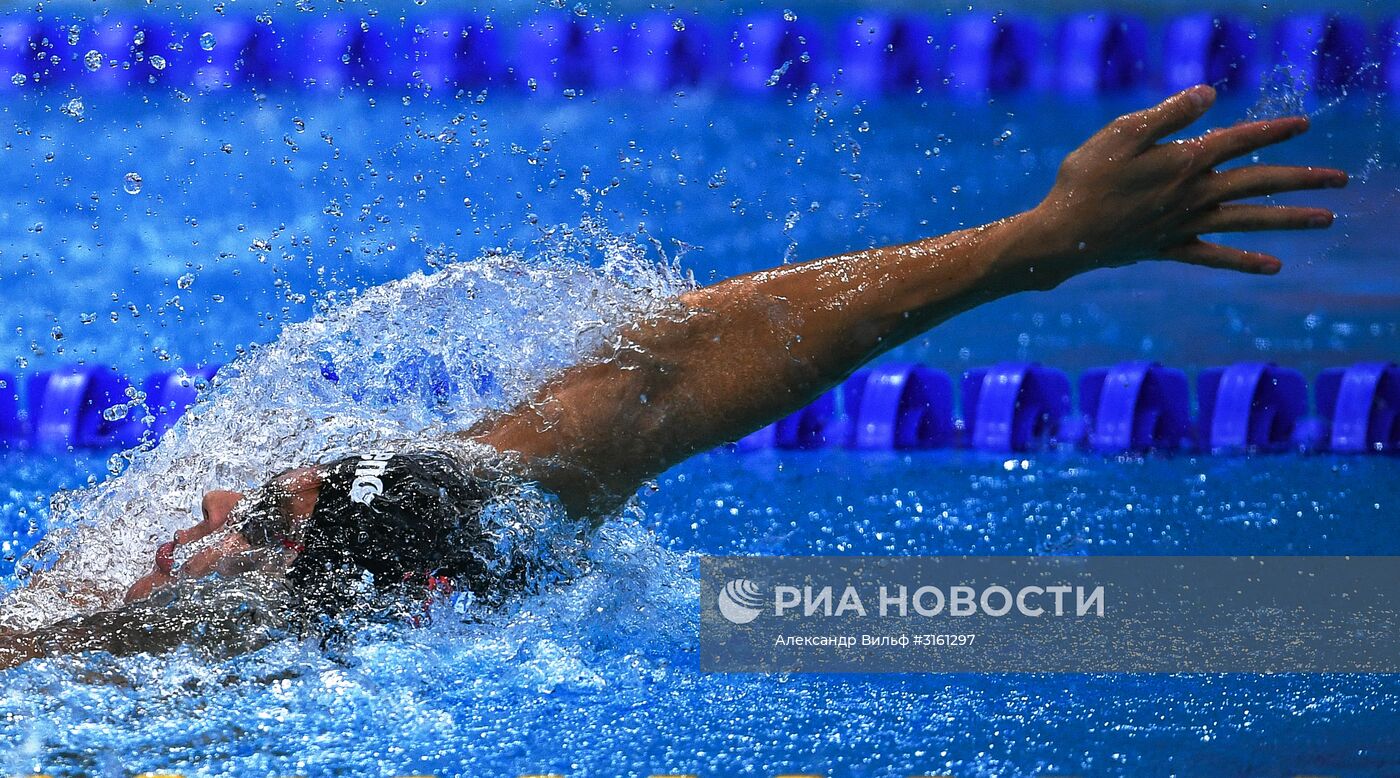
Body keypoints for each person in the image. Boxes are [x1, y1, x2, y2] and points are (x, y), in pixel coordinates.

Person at [0, 85, 1348, 669]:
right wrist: (1033, 246)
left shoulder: (122, 660)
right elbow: (646, 395)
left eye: (261, 520)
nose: (203, 518)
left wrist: (1042, 249)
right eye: (258, 502)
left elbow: (657, 381)